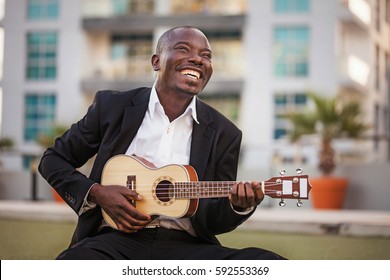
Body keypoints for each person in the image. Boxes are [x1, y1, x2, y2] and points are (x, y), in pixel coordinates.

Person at [38, 26, 285, 260]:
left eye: (206, 55)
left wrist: (238, 206)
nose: (198, 59)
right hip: (113, 241)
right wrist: (98, 193)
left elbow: (214, 221)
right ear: (156, 61)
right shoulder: (112, 107)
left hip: (189, 247)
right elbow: (53, 160)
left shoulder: (225, 133)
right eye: (184, 49)